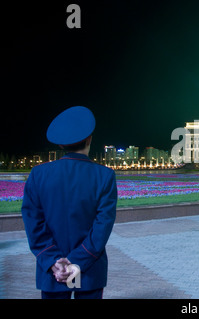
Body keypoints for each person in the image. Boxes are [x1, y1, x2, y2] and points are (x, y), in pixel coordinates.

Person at [22, 106, 117, 299]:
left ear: (61, 145)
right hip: (89, 268)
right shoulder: (104, 176)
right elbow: (102, 227)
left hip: (53, 271)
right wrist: (75, 262)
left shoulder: (38, 175)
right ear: (90, 138)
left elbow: (33, 223)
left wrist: (54, 261)